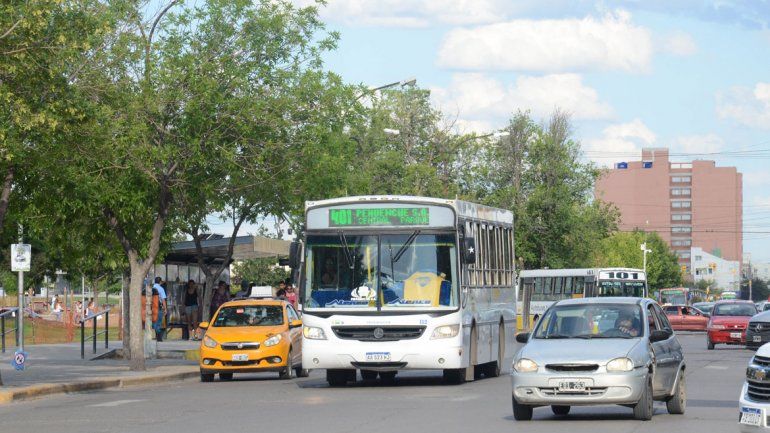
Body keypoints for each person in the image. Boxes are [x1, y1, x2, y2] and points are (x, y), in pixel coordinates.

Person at [152, 277, 168, 341]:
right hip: (158, 307)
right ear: (160, 282)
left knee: (154, 321)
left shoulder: (151, 288)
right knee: (158, 322)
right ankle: (159, 337)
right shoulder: (161, 289)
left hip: (151, 308)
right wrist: (165, 308)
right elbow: (163, 299)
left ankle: (157, 336)